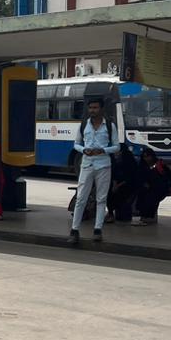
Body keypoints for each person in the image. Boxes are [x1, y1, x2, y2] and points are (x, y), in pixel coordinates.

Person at [68, 97, 118, 245]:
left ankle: (97, 230)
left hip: (103, 165)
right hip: (87, 164)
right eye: (91, 108)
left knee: (101, 199)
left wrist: (103, 150)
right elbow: (76, 144)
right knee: (81, 198)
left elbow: (116, 146)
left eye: (95, 108)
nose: (92, 111)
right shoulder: (84, 125)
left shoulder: (110, 126)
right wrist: (84, 150)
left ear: (101, 109)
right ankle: (74, 230)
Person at [134, 147, 171, 225]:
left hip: (160, 188)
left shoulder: (159, 164)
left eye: (148, 156)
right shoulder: (142, 166)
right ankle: (144, 216)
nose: (146, 159)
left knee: (152, 197)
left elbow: (167, 176)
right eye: (145, 157)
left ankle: (149, 216)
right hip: (146, 188)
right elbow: (139, 178)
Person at [107, 140, 139, 224]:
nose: (116, 154)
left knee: (120, 194)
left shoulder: (129, 162)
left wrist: (118, 186)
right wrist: (114, 184)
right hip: (117, 184)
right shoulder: (114, 161)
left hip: (128, 185)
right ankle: (110, 213)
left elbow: (130, 178)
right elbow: (113, 174)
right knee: (108, 192)